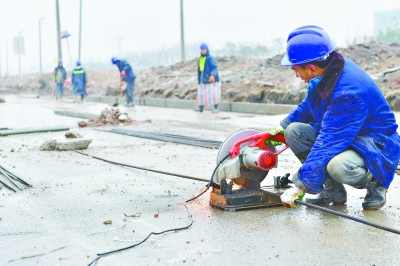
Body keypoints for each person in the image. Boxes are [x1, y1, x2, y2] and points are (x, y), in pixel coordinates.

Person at [272, 25, 400, 210]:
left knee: (338, 166)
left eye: (295, 69)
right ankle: (333, 192)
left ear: (311, 68)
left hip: (374, 141)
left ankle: (377, 183)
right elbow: (310, 104)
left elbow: (331, 140)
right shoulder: (330, 70)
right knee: (294, 132)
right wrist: (283, 127)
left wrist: (300, 185)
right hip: (350, 134)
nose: (297, 75)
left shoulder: (349, 91)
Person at [196, 43, 221, 113]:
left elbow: (214, 68)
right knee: (201, 94)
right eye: (202, 50)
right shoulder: (201, 59)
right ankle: (201, 107)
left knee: (213, 93)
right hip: (202, 79)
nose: (203, 51)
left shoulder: (210, 58)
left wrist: (212, 75)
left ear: (207, 49)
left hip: (210, 79)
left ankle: (216, 107)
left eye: (204, 49)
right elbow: (199, 70)